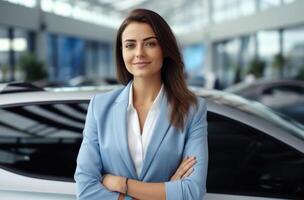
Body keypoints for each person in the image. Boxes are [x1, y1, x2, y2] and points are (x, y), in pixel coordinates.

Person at [74, 9, 208, 200]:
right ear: (121, 52)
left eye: (150, 43)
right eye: (130, 45)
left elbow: (192, 191)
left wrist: (122, 185)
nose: (139, 53)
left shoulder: (192, 109)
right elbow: (85, 190)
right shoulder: (99, 107)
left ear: (165, 49)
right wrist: (167, 190)